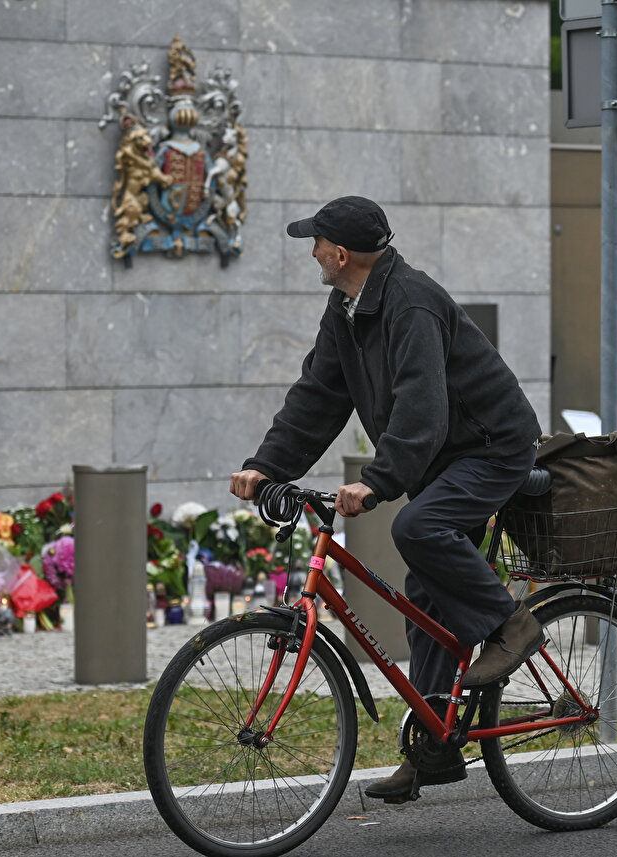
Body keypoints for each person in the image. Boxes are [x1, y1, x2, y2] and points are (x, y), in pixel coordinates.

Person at [229, 196, 544, 803]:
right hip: (444, 457)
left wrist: (379, 481)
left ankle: (513, 625)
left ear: (340, 253)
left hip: (492, 447)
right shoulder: (346, 307)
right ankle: (435, 746)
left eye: (317, 244)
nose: (313, 254)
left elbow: (421, 407)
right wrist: (265, 466)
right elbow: (318, 394)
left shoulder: (411, 302)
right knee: (424, 599)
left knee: (418, 529)